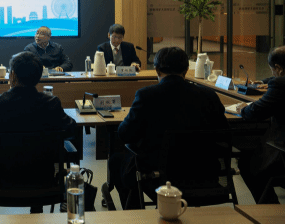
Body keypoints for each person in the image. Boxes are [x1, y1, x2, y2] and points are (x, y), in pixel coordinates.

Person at [107, 47, 228, 209]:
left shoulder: (146, 95)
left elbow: (125, 134)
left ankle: (135, 214)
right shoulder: (209, 96)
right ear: (186, 70)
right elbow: (224, 134)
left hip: (160, 177)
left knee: (117, 161)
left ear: (157, 70)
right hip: (205, 174)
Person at [0, 51, 76, 213]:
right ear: (38, 76)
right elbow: (71, 128)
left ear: (12, 75)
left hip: (1, 180)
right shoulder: (51, 103)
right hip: (43, 180)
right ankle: (36, 210)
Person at [236, 46, 285, 204]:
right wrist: (265, 81)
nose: (272, 74)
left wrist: (243, 109)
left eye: (273, 70)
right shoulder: (278, 82)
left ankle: (270, 208)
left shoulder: (280, 86)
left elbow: (255, 112)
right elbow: (275, 80)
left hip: (281, 149)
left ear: (278, 68)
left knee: (247, 163)